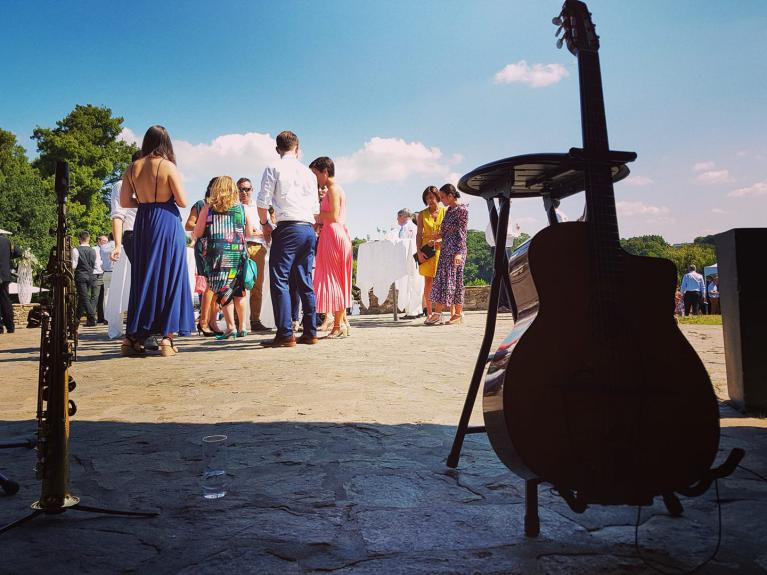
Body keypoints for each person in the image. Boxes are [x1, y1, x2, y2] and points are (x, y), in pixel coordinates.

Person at [119, 125, 195, 356]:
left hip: (143, 222)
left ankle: (132, 338)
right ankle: (166, 340)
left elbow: (124, 202)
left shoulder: (133, 167)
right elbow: (182, 201)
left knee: (144, 277)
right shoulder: (168, 166)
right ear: (167, 143)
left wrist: (144, 203)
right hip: (166, 222)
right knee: (170, 277)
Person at [256, 130, 320, 347]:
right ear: (298, 148)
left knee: (280, 279)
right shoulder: (309, 174)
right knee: (305, 279)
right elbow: (315, 208)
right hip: (307, 227)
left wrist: (265, 225)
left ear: (277, 149)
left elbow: (263, 202)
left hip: (287, 227)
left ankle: (285, 332)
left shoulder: (273, 167)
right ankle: (310, 331)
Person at [193, 176, 250, 340]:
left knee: (222, 288)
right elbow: (247, 231)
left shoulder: (208, 207)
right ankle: (243, 327)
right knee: (238, 288)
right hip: (237, 252)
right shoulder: (241, 207)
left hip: (217, 252)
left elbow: (197, 232)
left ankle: (231, 327)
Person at [310, 157, 352, 339]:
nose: (315, 178)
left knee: (333, 279)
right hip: (335, 233)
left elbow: (333, 214)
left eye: (316, 174)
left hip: (333, 234)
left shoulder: (333, 189)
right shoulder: (335, 189)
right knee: (337, 279)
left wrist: (314, 215)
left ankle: (338, 325)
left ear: (325, 172)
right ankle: (339, 324)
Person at [426, 183, 469, 326]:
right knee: (442, 281)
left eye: (443, 197)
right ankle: (441, 314)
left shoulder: (462, 210)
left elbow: (462, 234)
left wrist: (459, 253)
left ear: (451, 196)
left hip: (456, 250)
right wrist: (436, 240)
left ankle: (454, 314)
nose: (441, 200)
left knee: (454, 281)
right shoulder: (449, 210)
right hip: (445, 249)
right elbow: (446, 233)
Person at [185, 179, 222, 336]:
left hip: (219, 247)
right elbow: (188, 225)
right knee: (208, 285)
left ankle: (212, 321)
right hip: (204, 248)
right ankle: (204, 321)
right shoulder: (200, 204)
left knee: (217, 286)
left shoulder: (221, 206)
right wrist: (207, 226)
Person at [238, 177, 270, 333]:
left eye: (247, 189)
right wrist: (259, 232)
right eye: (241, 189)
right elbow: (251, 231)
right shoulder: (234, 208)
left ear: (252, 190)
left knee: (257, 286)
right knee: (238, 286)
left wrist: (258, 233)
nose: (244, 192)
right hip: (238, 248)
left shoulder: (258, 208)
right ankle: (238, 322)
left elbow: (267, 229)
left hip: (257, 248)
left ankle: (255, 320)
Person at [416, 186, 445, 321]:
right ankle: (428, 311)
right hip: (427, 249)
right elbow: (419, 234)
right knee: (428, 281)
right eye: (427, 198)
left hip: (442, 248)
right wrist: (419, 251)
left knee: (442, 280)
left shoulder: (445, 212)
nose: (430, 200)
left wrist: (439, 240)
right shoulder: (422, 214)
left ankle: (441, 312)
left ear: (437, 197)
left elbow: (449, 232)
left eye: (432, 197)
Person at [72, 230, 102, 327]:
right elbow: (97, 265)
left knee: (84, 297)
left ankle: (92, 318)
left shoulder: (76, 250)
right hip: (92, 276)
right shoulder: (94, 250)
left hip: (81, 276)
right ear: (88, 238)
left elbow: (73, 266)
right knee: (82, 298)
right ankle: (76, 319)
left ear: (80, 239)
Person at [0, 230, 21, 334]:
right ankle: (10, 327)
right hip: (4, 275)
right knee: (6, 301)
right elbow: (19, 252)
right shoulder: (7, 242)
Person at [95, 234, 112, 324]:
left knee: (106, 296)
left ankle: (106, 317)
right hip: (110, 273)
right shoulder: (120, 246)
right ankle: (109, 317)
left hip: (105, 273)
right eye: (103, 241)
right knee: (108, 296)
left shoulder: (103, 248)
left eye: (106, 241)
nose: (105, 242)